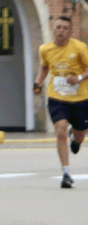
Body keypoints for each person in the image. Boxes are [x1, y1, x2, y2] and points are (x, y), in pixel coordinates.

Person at [33, 15, 88, 189]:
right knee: (60, 131)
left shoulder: (79, 48)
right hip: (57, 97)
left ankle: (75, 138)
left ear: (70, 32)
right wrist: (37, 83)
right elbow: (44, 67)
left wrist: (79, 78)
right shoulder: (45, 49)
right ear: (53, 29)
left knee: (80, 135)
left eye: (65, 28)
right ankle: (66, 173)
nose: (61, 31)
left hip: (80, 98)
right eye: (58, 27)